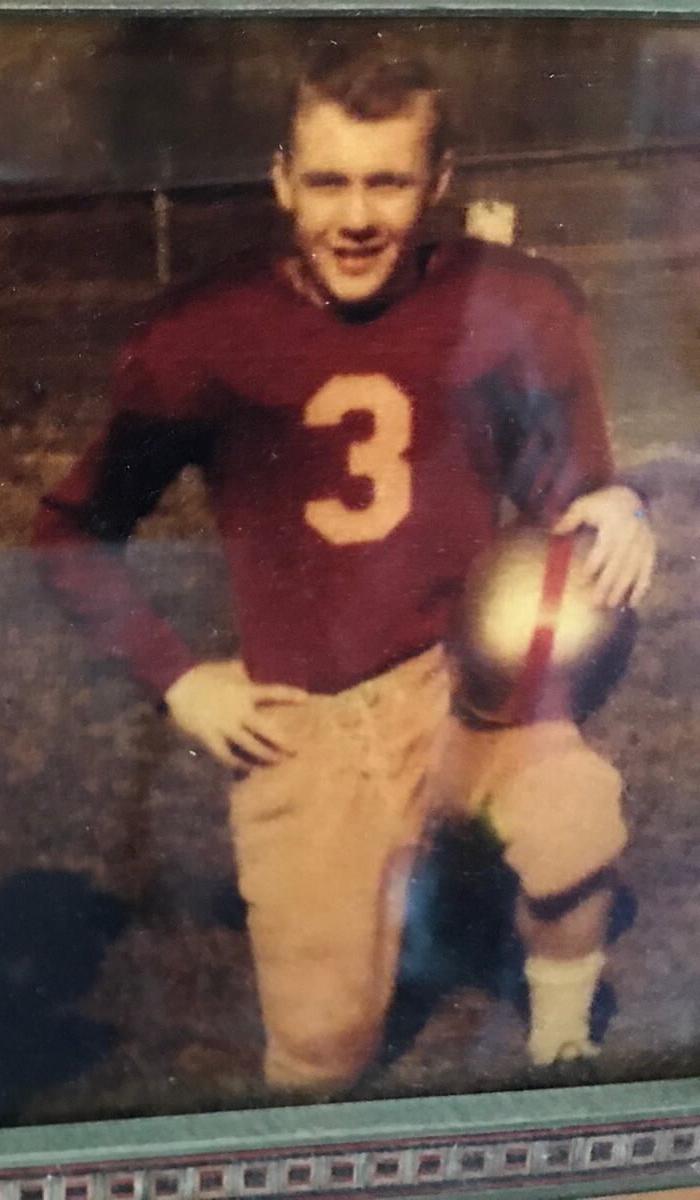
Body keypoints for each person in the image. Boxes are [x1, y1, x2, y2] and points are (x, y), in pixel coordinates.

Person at [33, 38, 657, 1093]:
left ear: (439, 184)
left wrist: (615, 503)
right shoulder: (208, 332)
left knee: (572, 815)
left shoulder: (505, 301)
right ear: (281, 179)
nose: (356, 216)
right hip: (305, 718)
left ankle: (560, 1038)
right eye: (326, 181)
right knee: (319, 1061)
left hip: (461, 691)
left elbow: (567, 498)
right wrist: (179, 677)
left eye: (387, 181)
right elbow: (68, 535)